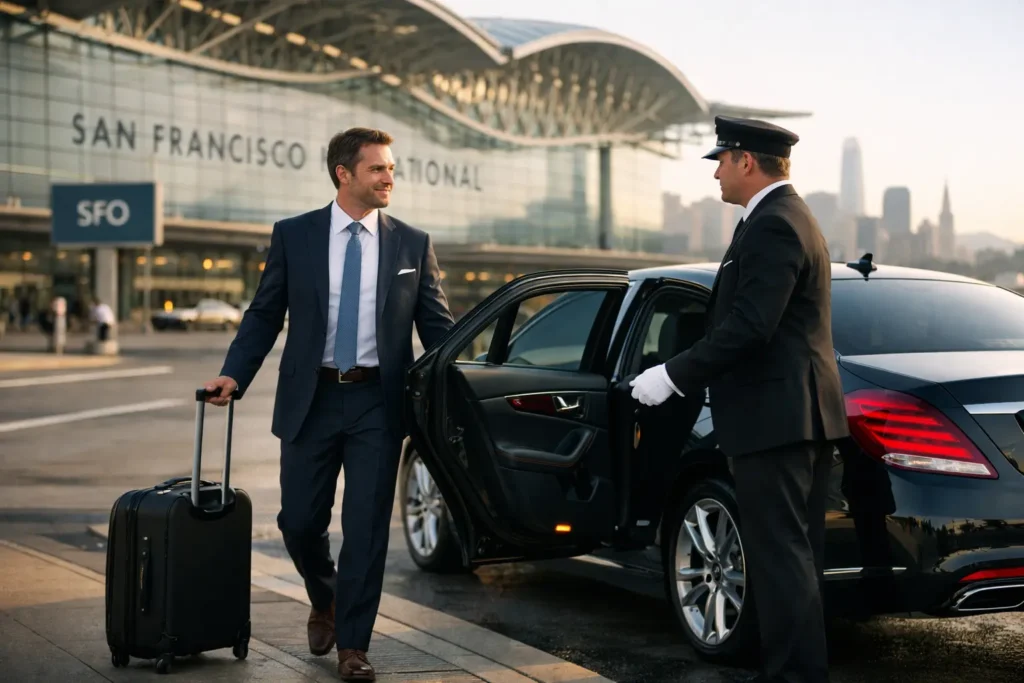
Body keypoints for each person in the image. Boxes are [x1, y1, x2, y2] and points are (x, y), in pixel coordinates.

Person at [201, 127, 454, 681]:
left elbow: (437, 326)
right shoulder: (296, 235)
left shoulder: (412, 242)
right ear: (344, 174)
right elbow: (265, 313)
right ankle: (326, 596)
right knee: (298, 522)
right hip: (311, 399)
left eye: (391, 169)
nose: (390, 178)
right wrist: (232, 375)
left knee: (365, 528)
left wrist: (471, 376)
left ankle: (354, 648)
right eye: (378, 169)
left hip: (376, 403)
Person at [629, 116, 849, 683]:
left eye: (721, 162)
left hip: (777, 420)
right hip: (790, 415)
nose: (717, 175)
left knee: (781, 559)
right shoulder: (780, 218)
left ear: (747, 162)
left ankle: (795, 676)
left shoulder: (775, 224)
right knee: (791, 559)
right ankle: (794, 671)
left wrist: (671, 375)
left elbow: (752, 326)